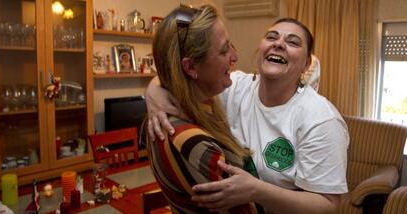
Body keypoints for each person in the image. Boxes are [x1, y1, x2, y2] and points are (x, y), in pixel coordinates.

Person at [145, 17, 349, 213]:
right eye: (271, 37)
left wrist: (256, 191)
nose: (278, 43)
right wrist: (153, 92)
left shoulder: (321, 120)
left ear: (306, 64)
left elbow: (328, 204)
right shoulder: (235, 87)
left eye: (293, 42)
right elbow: (186, 74)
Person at [146, 4, 260, 213]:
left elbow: (171, 75)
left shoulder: (201, 102)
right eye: (224, 50)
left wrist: (153, 87)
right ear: (191, 67)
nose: (235, 57)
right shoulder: (194, 146)